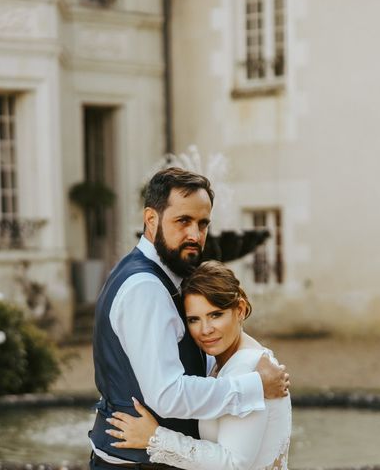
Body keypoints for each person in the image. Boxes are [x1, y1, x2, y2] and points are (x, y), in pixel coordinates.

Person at [89, 168, 289, 469]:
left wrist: (249, 357)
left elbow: (190, 353)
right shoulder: (146, 288)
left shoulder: (160, 275)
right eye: (183, 221)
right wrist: (255, 386)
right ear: (151, 219)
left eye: (203, 223)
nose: (195, 235)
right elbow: (167, 395)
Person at [106, 261, 291, 470]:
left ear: (239, 309)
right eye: (194, 319)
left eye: (215, 315)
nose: (205, 330)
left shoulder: (247, 368)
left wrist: (154, 437)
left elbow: (234, 464)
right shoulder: (221, 361)